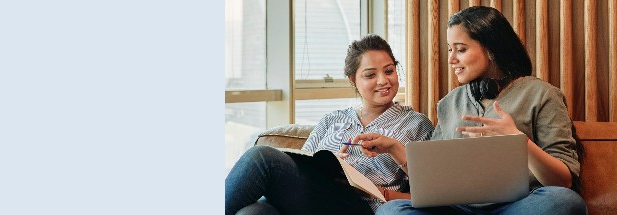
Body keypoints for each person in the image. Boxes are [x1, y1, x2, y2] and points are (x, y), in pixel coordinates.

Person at [352, 6, 587, 215]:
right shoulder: (449, 103)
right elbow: (434, 178)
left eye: (461, 49)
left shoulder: (542, 94)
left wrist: (519, 140)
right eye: (449, 50)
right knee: (393, 211)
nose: (452, 59)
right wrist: (393, 147)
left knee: (564, 202)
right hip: (459, 208)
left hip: (519, 205)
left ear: (492, 50)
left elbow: (562, 181)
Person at [225, 34, 434, 215]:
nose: (383, 81)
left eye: (389, 71)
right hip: (315, 198)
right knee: (255, 211)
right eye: (370, 75)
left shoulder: (417, 124)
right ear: (353, 80)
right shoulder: (331, 120)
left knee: (261, 157)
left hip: (362, 206)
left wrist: (388, 159)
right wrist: (334, 165)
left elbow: (430, 189)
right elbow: (302, 167)